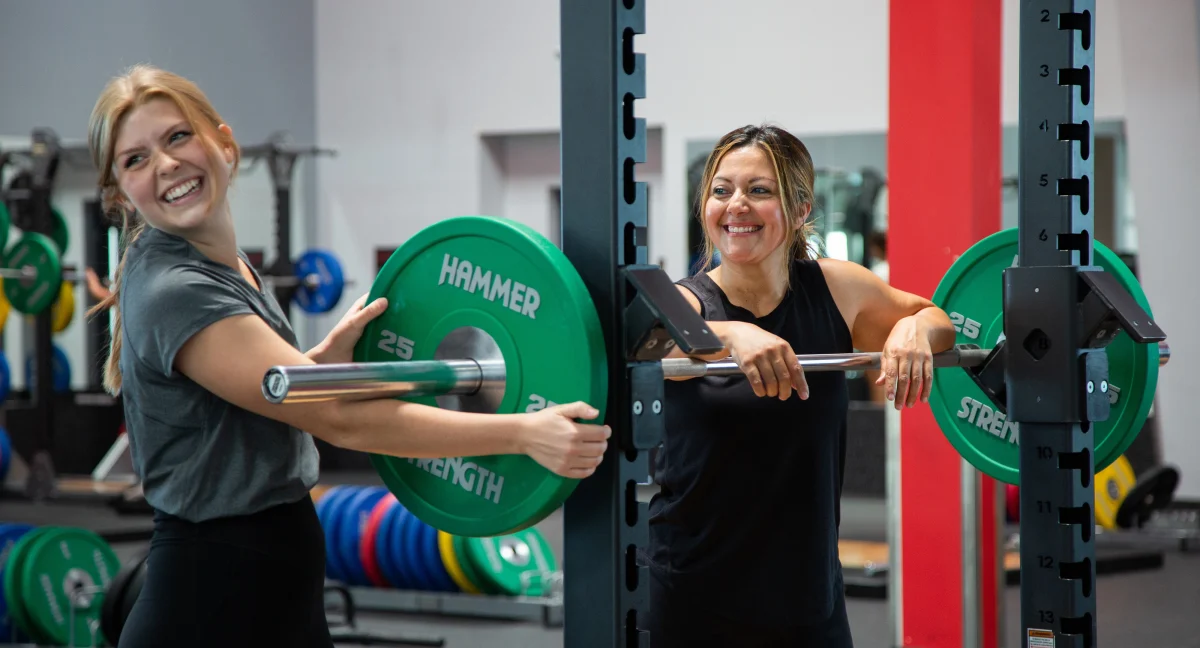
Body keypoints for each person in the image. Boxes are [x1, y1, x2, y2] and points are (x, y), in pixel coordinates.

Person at [86, 64, 610, 648]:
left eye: (178, 137)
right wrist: (521, 434)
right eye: (136, 160)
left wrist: (317, 364)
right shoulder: (176, 289)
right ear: (118, 194)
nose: (165, 165)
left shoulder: (222, 265)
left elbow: (246, 406)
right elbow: (337, 419)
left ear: (224, 143)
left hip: (273, 576)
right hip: (211, 595)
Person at [643, 124, 955, 647]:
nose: (736, 205)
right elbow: (645, 340)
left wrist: (914, 328)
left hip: (808, 601)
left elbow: (938, 318)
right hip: (693, 600)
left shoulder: (836, 287)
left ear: (801, 207)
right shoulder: (688, 304)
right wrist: (732, 334)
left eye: (758, 191)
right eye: (722, 191)